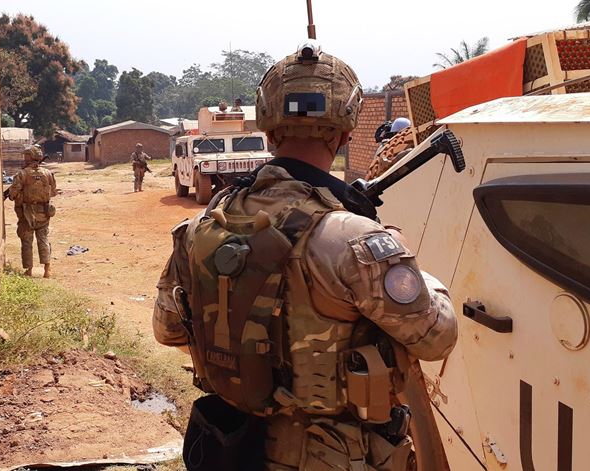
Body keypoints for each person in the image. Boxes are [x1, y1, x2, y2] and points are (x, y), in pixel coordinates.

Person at [153, 43, 457, 471]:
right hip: (335, 455)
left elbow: (168, 330)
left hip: (231, 447)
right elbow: (436, 338)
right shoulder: (356, 240)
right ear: (346, 131)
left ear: (269, 129)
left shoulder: (202, 226)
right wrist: (417, 272)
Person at [9, 145, 57, 278]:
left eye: (26, 156)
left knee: (26, 241)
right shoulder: (48, 173)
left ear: (29, 157)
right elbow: (53, 192)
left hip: (26, 213)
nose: (24, 159)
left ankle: (29, 270)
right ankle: (47, 270)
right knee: (43, 240)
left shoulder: (22, 174)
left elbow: (13, 194)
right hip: (44, 212)